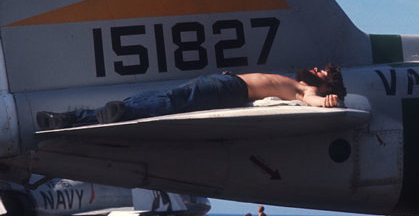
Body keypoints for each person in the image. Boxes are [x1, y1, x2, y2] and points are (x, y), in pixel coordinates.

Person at [36, 64, 347, 130]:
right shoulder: (296, 81)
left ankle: (119, 114)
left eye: (322, 71)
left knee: (170, 101)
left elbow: (314, 101)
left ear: (326, 83)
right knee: (160, 96)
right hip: (224, 82)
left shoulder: (309, 90)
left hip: (230, 89)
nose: (316, 69)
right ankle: (70, 119)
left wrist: (328, 101)